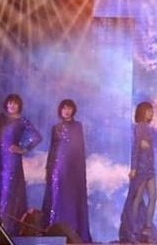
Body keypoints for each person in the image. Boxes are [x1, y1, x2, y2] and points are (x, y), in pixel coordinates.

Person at [0, 93, 43, 235]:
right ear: (6, 104)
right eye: (10, 103)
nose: (12, 105)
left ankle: (9, 229)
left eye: (15, 103)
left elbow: (37, 137)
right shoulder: (2, 121)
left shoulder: (22, 121)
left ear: (19, 106)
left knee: (9, 193)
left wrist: (22, 148)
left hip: (12, 161)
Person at [41, 99, 92, 242]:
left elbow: (80, 149)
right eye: (64, 108)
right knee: (57, 196)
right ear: (60, 110)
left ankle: (73, 231)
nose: (67, 111)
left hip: (73, 168)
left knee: (72, 198)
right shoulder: (56, 127)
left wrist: (79, 169)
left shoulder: (77, 126)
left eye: (69, 108)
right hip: (57, 167)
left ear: (73, 110)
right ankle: (55, 230)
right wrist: (48, 168)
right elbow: (52, 149)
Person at [119, 101, 157, 243]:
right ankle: (131, 228)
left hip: (150, 168)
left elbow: (148, 149)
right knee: (137, 199)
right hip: (141, 168)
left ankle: (147, 227)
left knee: (153, 196)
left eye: (152, 111)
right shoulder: (139, 127)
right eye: (148, 111)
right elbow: (135, 149)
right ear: (142, 112)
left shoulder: (149, 128)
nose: (151, 113)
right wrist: (133, 168)